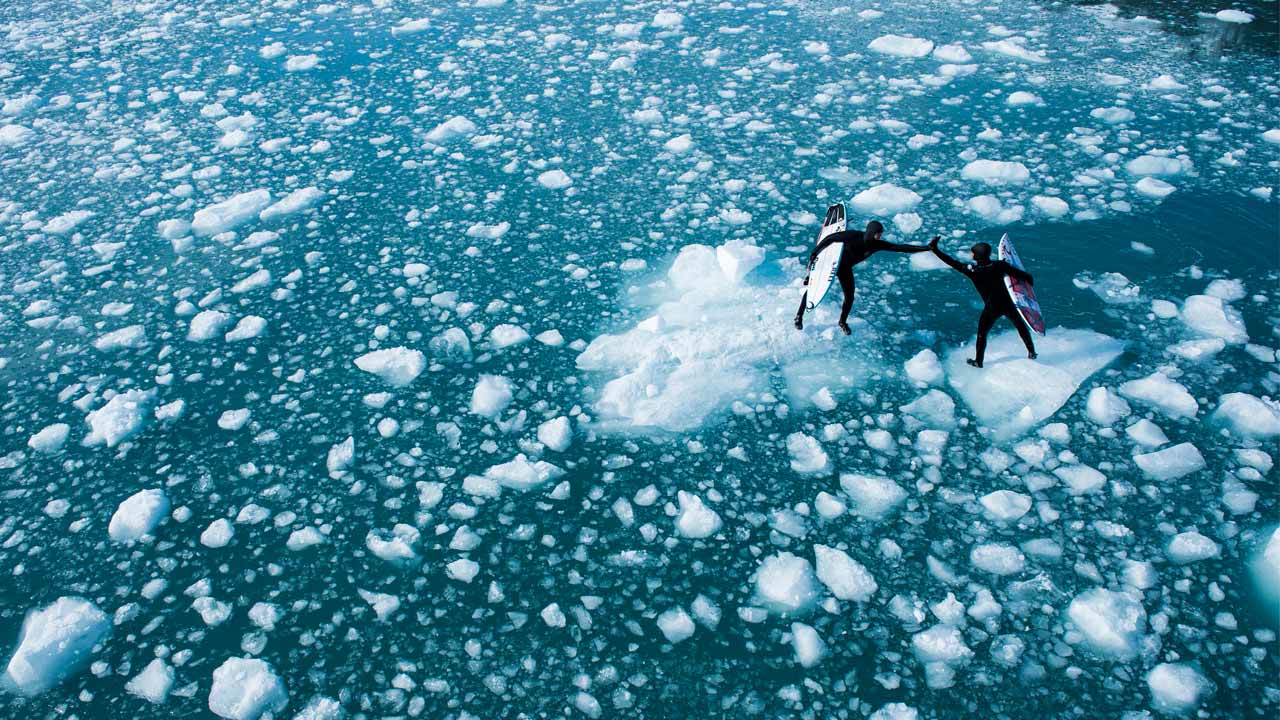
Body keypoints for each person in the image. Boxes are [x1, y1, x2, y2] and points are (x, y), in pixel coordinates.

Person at [794, 219, 932, 334]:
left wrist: (926, 248)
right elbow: (830, 238)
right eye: (878, 234)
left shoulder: (877, 245)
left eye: (880, 234)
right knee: (813, 288)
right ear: (872, 232)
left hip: (844, 269)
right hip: (831, 263)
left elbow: (901, 247)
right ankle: (799, 316)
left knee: (850, 296)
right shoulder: (853, 236)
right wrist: (814, 254)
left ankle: (842, 322)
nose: (880, 236)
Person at [927, 236, 1037, 367]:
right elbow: (1025, 276)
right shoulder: (1000, 266)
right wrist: (1028, 286)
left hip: (992, 308)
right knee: (1021, 326)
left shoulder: (973, 271)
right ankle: (1031, 352)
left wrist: (935, 250)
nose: (971, 255)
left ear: (976, 256)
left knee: (982, 334)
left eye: (973, 253)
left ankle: (978, 361)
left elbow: (951, 262)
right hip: (1008, 303)